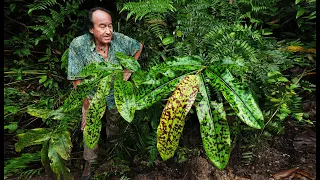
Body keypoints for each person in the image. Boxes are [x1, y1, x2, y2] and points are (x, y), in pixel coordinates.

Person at [67, 7, 143, 180]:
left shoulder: (119, 40)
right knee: (90, 129)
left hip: (115, 95)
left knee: (114, 125)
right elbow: (75, 77)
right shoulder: (79, 45)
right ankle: (89, 163)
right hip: (92, 95)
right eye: (102, 26)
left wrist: (127, 71)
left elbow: (138, 46)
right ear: (91, 29)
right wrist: (86, 105)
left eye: (110, 26)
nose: (108, 31)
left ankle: (114, 156)